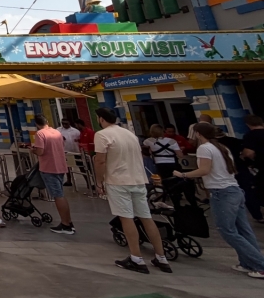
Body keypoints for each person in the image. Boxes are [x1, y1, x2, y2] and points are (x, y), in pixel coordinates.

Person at [177, 122, 264, 278]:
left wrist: (183, 175)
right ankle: (247, 262)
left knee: (227, 230)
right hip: (234, 189)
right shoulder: (221, 147)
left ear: (198, 134)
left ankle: (259, 264)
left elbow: (204, 169)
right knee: (243, 229)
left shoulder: (204, 148)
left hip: (221, 192)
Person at [93, 108, 172, 274]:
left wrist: (99, 182)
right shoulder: (130, 134)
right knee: (146, 217)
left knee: (126, 218)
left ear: (101, 119)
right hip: (138, 180)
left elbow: (100, 161)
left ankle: (136, 258)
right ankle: (161, 257)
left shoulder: (102, 135)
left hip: (118, 180)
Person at [32, 115, 74, 235]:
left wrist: (33, 150)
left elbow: (40, 151)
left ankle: (65, 225)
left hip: (49, 167)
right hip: (60, 166)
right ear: (47, 121)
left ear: (36, 124)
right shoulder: (56, 132)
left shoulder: (40, 134)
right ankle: (68, 222)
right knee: (60, 194)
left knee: (57, 196)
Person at [240, 115, 264, 223]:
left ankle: (259, 215)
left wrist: (244, 156)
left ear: (248, 124)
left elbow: (249, 152)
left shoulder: (250, 136)